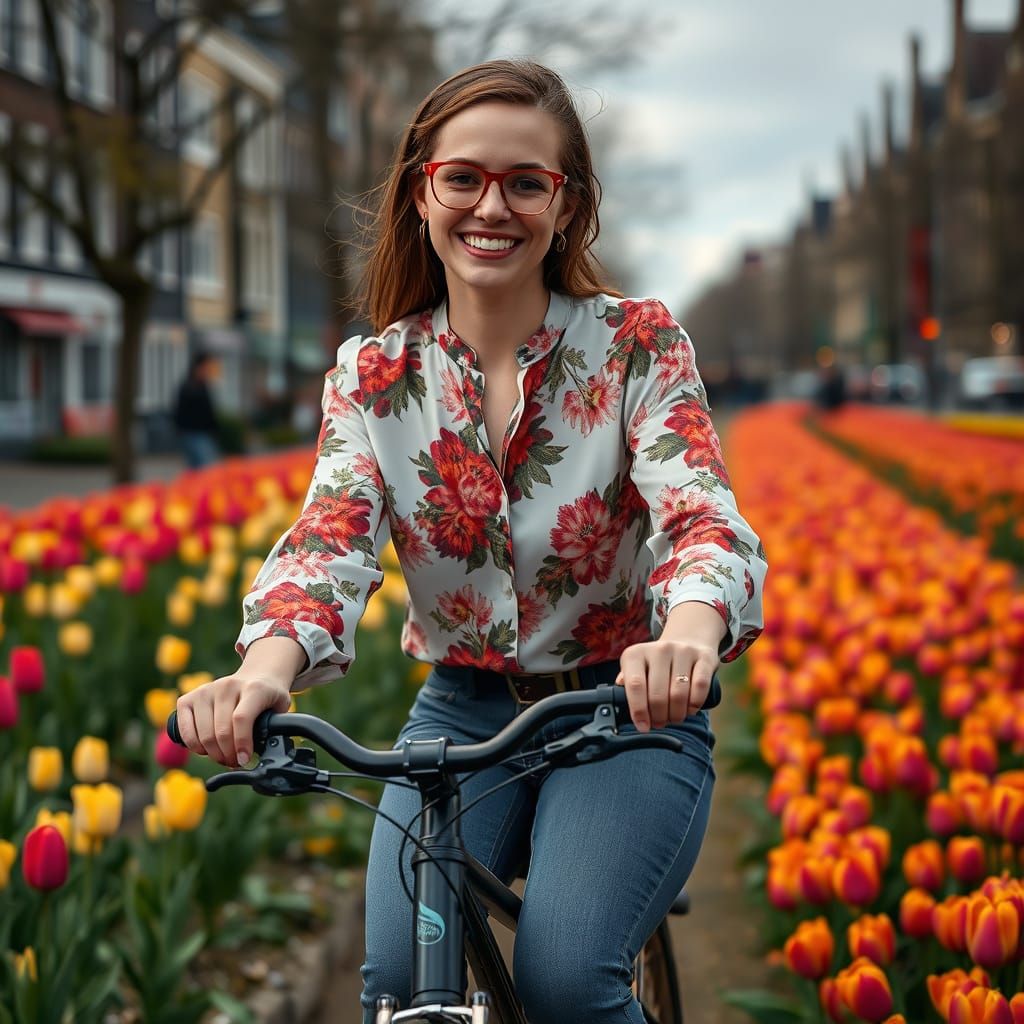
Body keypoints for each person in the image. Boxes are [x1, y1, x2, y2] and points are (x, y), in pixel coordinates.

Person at [175, 60, 767, 1023]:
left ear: (565, 205)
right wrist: (261, 675)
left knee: (568, 983)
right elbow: (330, 538)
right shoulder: (373, 376)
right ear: (423, 191)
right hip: (461, 712)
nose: (492, 206)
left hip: (628, 705)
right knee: (404, 986)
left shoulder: (637, 349)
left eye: (526, 181)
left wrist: (690, 638)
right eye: (464, 177)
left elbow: (700, 514)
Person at [172, 350, 222, 468]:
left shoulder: (200, 385)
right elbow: (183, 411)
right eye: (207, 367)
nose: (209, 371)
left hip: (201, 433)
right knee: (206, 467)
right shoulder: (191, 387)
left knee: (198, 468)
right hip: (195, 433)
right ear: (199, 367)